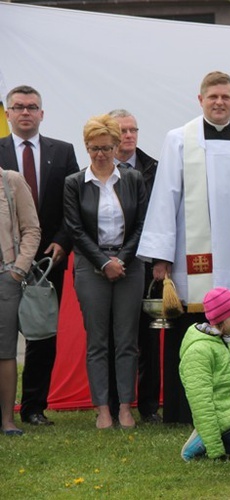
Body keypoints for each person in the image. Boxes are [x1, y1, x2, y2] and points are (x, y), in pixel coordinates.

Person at [136, 71, 230, 424]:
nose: (219, 103)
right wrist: (161, 256)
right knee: (191, 334)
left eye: (225, 97)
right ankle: (184, 410)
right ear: (200, 100)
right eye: (212, 97)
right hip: (192, 259)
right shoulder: (179, 140)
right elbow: (165, 196)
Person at [0, 85, 79, 427]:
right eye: (18, 107)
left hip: (49, 260)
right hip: (5, 259)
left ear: (42, 113)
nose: (25, 112)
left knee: (42, 333)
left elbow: (72, 205)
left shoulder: (62, 152)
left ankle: (33, 406)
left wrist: (62, 242)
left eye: (32, 107)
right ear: (7, 114)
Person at [63, 114, 147, 429]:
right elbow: (74, 229)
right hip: (90, 266)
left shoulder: (134, 179)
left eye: (106, 148)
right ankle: (102, 409)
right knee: (97, 340)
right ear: (86, 147)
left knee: (127, 339)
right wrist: (103, 262)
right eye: (94, 148)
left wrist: (122, 259)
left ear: (116, 146)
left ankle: (125, 406)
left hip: (129, 265)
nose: (101, 154)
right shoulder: (74, 183)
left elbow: (141, 224)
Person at [107, 109, 162, 424]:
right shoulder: (96, 169)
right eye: (122, 130)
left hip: (146, 263)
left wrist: (158, 261)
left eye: (133, 130)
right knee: (115, 337)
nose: (128, 136)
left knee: (148, 337)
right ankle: (115, 403)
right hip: (109, 264)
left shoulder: (153, 168)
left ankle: (149, 405)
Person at [179, 287, 230, 461]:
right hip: (222, 423)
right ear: (220, 319)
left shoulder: (228, 343)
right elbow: (201, 403)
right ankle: (200, 444)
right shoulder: (199, 351)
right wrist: (216, 450)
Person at [0, 167, 41, 436]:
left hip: (6, 277)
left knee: (4, 351)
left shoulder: (10, 180)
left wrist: (18, 270)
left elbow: (32, 230)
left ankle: (7, 420)